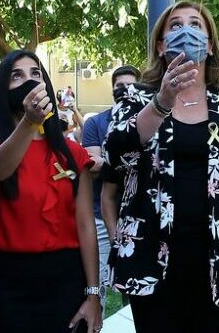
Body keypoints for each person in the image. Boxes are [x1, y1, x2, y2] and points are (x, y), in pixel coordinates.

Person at [103, 1, 219, 333]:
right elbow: (117, 155)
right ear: (161, 44)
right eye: (176, 25)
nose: (186, 31)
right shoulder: (135, 98)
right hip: (151, 261)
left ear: (210, 45)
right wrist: (161, 102)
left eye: (196, 25)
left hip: (216, 265)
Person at [0, 50, 101, 333]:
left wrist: (93, 293)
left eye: (36, 74)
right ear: (3, 89)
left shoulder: (73, 154)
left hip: (65, 279)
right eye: (16, 75)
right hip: (6, 281)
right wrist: (29, 123)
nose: (28, 80)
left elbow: (85, 225)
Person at [81, 65, 139, 295]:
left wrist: (112, 160)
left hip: (138, 215)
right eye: (120, 86)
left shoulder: (152, 120)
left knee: (135, 286)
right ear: (112, 89)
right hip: (100, 213)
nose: (125, 90)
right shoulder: (96, 123)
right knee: (99, 283)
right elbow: (92, 164)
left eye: (131, 86)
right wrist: (129, 161)